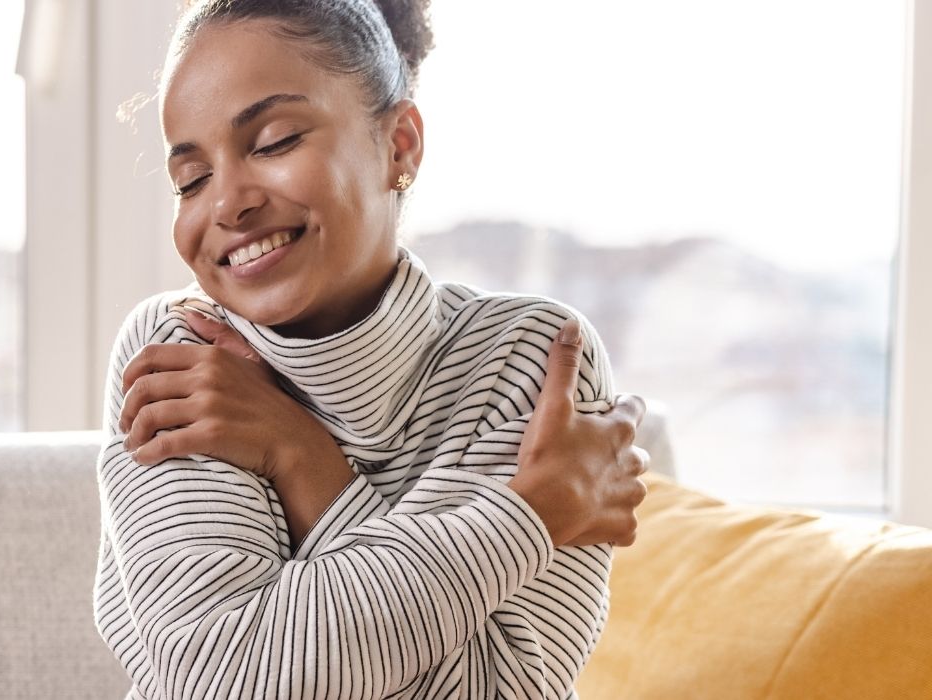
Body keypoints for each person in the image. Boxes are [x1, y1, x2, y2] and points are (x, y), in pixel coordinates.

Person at [91, 0, 651, 697]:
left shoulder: (532, 360)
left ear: (400, 146)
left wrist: (297, 455)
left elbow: (498, 690)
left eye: (272, 142)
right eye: (191, 179)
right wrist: (528, 517)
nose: (227, 203)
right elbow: (223, 677)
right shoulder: (180, 350)